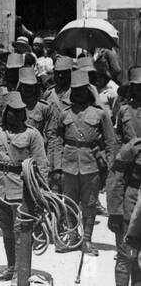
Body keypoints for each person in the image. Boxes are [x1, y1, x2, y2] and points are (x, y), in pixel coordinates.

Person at [0, 93, 48, 281]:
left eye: (19, 112)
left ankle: (21, 271)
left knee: (21, 231)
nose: (15, 116)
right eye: (12, 112)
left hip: (22, 189)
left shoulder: (32, 134)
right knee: (6, 230)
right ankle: (11, 267)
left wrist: (40, 194)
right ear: (5, 112)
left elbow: (41, 165)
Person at [52, 68, 118, 256]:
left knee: (89, 203)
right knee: (69, 202)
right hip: (69, 164)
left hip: (91, 165)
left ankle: (87, 240)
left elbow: (110, 142)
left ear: (88, 91)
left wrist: (110, 168)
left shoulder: (100, 113)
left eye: (82, 90)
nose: (79, 93)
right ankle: (73, 238)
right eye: (75, 90)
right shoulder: (64, 114)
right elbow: (57, 141)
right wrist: (56, 166)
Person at [104, 136, 141, 286]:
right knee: (127, 254)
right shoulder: (133, 148)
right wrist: (115, 212)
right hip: (132, 206)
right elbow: (115, 179)